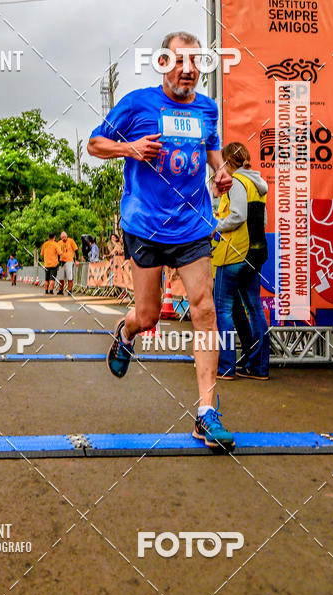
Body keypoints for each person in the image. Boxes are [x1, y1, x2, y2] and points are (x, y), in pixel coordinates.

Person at [88, 30, 236, 451]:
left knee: (204, 309)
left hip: (192, 226)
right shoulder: (138, 104)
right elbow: (94, 144)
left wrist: (221, 172)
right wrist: (130, 148)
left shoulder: (207, 110)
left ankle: (206, 413)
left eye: (195, 63)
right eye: (180, 62)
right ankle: (127, 331)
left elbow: (213, 152)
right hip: (146, 225)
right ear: (164, 65)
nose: (188, 70)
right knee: (149, 314)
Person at [212, 142, 270, 380]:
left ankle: (226, 366)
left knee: (223, 310)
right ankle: (259, 367)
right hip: (255, 255)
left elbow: (237, 215)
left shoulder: (235, 182)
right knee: (255, 309)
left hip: (233, 254)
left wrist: (215, 225)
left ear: (228, 162)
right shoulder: (258, 185)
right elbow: (263, 221)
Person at [56, 231, 78, 295]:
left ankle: (70, 290)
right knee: (61, 277)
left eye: (65, 237)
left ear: (67, 236)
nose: (64, 238)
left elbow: (76, 250)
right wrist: (57, 262)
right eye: (63, 237)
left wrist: (77, 260)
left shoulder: (71, 241)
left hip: (69, 261)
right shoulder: (59, 243)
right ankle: (61, 290)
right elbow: (57, 253)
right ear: (61, 237)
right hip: (61, 261)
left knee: (69, 277)